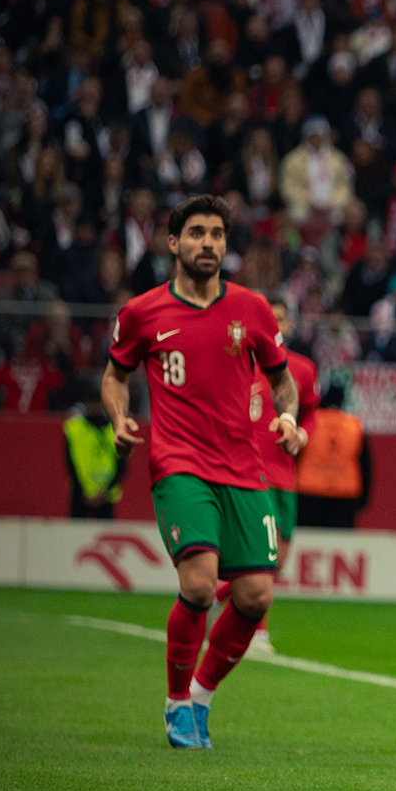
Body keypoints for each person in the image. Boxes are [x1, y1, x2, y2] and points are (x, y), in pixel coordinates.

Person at [101, 195, 305, 750]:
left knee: (256, 597)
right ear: (173, 243)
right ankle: (175, 705)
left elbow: (282, 379)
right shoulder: (142, 313)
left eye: (217, 234)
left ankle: (202, 695)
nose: (208, 243)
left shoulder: (254, 309)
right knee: (197, 582)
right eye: (196, 233)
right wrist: (119, 420)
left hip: (244, 467)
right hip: (179, 465)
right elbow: (114, 377)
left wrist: (288, 417)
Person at [215, 295, 319, 654]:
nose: (275, 324)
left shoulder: (302, 370)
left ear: (289, 325)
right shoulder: (239, 363)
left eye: (281, 319)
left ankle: (218, 594)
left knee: (279, 556)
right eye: (269, 319)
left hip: (285, 474)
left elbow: (312, 413)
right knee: (263, 554)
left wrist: (302, 434)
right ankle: (258, 632)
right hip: (248, 471)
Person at [295, 383, 371, 529]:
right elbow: (365, 464)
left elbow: (295, 452)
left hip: (308, 491)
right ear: (342, 402)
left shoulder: (310, 420)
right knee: (339, 543)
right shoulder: (354, 424)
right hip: (344, 495)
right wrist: (364, 499)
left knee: (308, 541)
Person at [62, 382, 128, 519]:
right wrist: (83, 491)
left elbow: (122, 466)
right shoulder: (74, 429)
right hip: (81, 495)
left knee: (102, 535)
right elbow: (69, 463)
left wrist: (105, 492)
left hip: (106, 497)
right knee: (76, 535)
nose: (96, 408)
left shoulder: (115, 429)